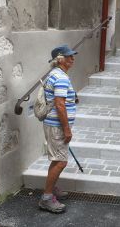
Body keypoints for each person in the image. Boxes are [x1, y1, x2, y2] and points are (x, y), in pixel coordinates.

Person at [38, 44, 77, 213]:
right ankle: (46, 198)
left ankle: (52, 189)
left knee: (56, 160)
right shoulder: (60, 77)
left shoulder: (54, 74)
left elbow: (61, 100)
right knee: (61, 161)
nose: (72, 58)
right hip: (57, 126)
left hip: (53, 124)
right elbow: (60, 105)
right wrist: (67, 129)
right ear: (60, 59)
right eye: (69, 56)